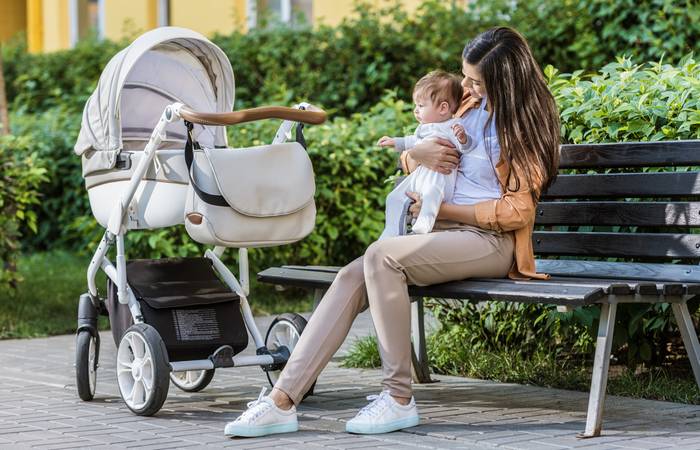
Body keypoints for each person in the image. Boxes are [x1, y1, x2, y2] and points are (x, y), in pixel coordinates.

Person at [224, 26, 560, 438]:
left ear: (506, 81)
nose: (466, 87)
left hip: (491, 242)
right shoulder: (470, 104)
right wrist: (413, 154)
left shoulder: (525, 122)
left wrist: (443, 210)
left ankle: (398, 397)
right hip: (440, 231)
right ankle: (281, 400)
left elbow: (517, 211)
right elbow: (427, 152)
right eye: (465, 77)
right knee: (353, 273)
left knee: (380, 257)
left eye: (476, 80)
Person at [377, 70, 475, 239]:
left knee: (431, 194)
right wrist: (395, 142)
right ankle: (391, 231)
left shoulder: (453, 125)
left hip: (440, 176)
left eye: (421, 106)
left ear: (443, 108)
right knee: (394, 197)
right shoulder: (424, 127)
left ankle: (424, 225)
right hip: (422, 175)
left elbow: (465, 148)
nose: (415, 111)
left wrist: (463, 139)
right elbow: (413, 141)